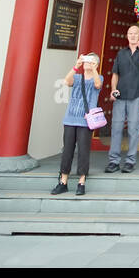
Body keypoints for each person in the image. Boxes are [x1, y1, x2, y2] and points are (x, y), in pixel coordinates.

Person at [54, 52, 103, 195]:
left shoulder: (98, 76)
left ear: (96, 64)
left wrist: (93, 68)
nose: (88, 62)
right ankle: (63, 181)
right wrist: (76, 66)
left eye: (91, 60)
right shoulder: (77, 77)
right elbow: (67, 81)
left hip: (85, 121)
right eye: (87, 60)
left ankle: (81, 181)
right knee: (67, 150)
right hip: (70, 119)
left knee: (83, 151)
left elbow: (97, 84)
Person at [107, 26, 139, 173]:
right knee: (116, 128)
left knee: (133, 128)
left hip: (136, 95)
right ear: (127, 36)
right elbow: (115, 74)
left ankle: (130, 161)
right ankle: (114, 161)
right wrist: (113, 89)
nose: (133, 36)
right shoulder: (121, 53)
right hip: (121, 95)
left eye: (135, 34)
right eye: (130, 34)